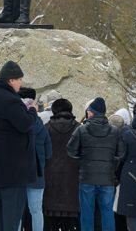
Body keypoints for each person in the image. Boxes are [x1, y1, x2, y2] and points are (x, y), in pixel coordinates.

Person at [0, 60, 38, 230]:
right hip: (13, 166)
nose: (21, 83)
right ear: (11, 80)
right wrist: (33, 110)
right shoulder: (10, 100)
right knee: (12, 213)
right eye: (20, 79)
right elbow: (25, 124)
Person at [67, 96, 125, 231]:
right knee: (107, 214)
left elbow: (70, 151)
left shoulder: (81, 130)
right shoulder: (115, 131)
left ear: (91, 112)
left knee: (87, 214)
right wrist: (111, 166)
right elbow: (121, 154)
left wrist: (82, 163)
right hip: (107, 179)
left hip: (87, 178)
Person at [43, 98, 80, 231]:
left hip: (50, 182)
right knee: (69, 226)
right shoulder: (78, 128)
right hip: (72, 183)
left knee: (49, 224)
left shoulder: (46, 128)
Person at [24, 97, 52, 231]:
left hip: (20, 175)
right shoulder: (43, 128)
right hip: (38, 174)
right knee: (36, 211)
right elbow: (48, 153)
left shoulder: (19, 128)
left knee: (17, 211)